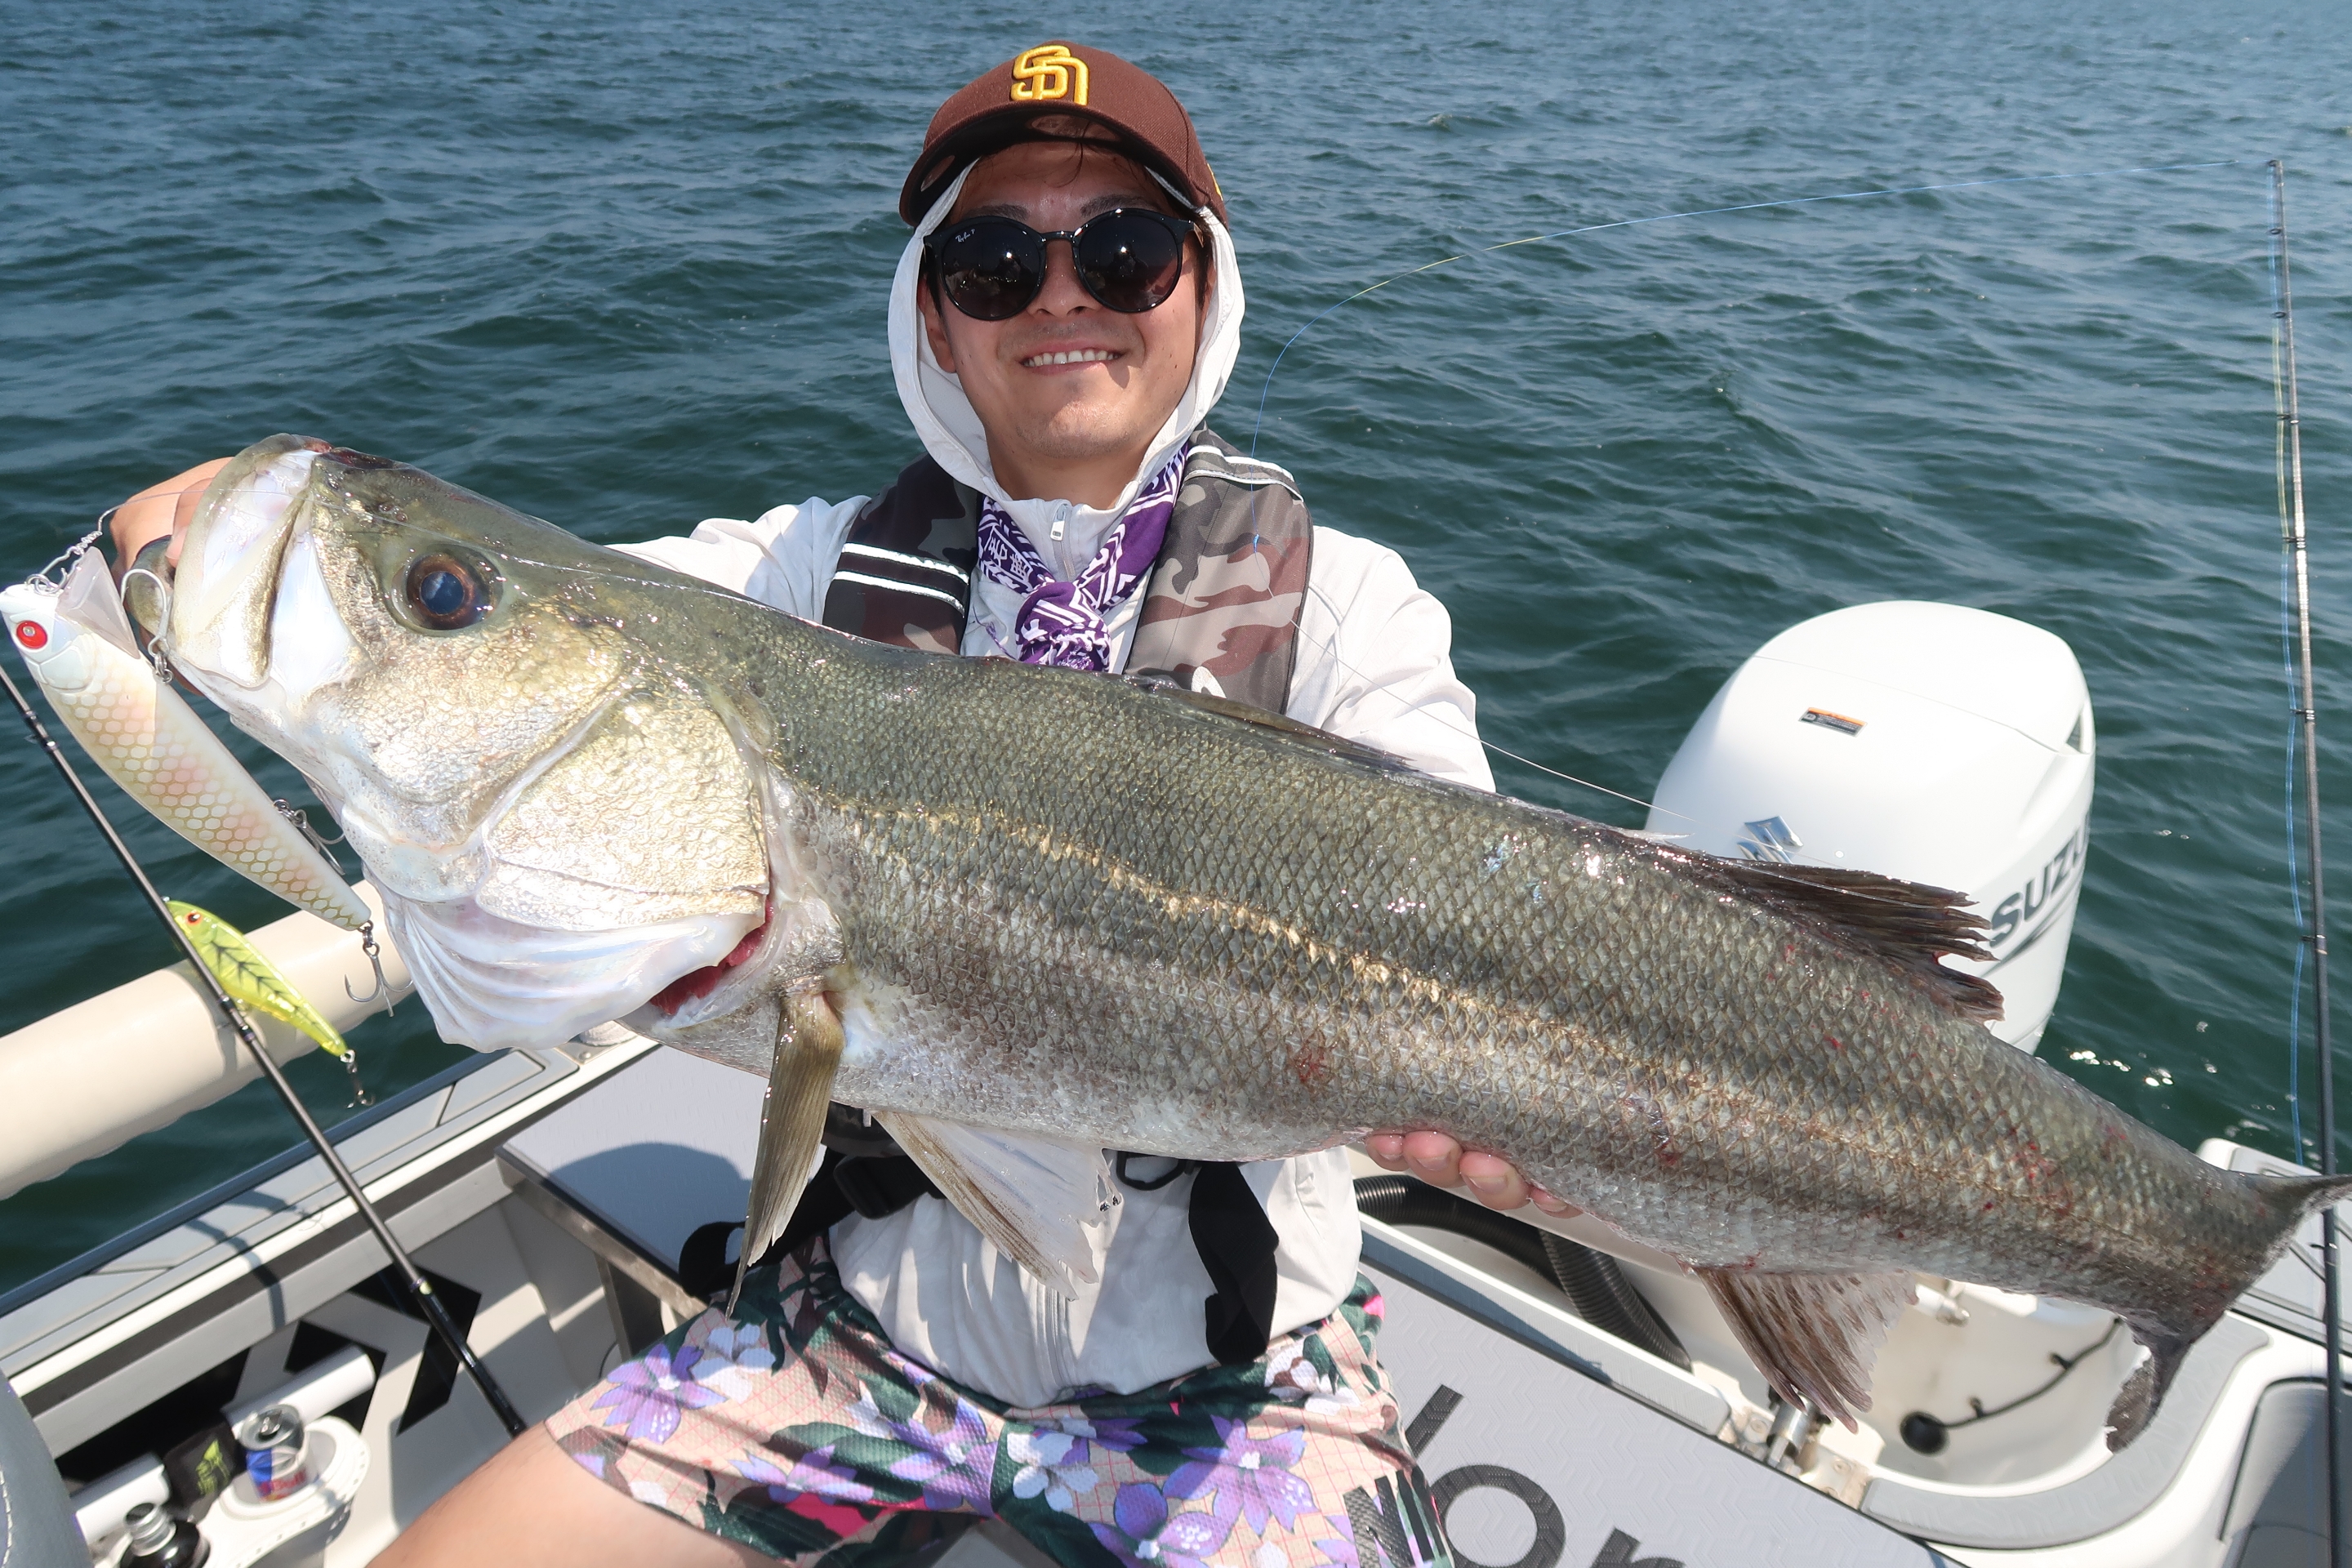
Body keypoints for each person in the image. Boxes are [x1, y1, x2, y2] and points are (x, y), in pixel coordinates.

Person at [112, 42, 1575, 1568]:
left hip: (1232, 1376)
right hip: (860, 1339)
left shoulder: (1349, 612)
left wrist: (1495, 1107)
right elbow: (544, 630)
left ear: (1201, 289)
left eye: (1125, 250)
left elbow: (1487, 931)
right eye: (994, 260)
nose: (1061, 297)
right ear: (934, 319)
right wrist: (224, 532)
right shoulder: (796, 582)